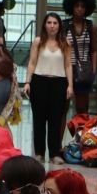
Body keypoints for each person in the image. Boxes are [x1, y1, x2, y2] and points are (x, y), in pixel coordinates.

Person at [24, 12, 73, 163]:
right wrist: (27, 82)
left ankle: (54, 153)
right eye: (49, 23)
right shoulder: (38, 42)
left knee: (56, 119)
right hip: (39, 81)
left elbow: (68, 65)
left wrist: (70, 85)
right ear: (45, 25)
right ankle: (39, 152)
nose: (52, 26)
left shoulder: (65, 43)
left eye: (55, 23)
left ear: (59, 25)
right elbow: (32, 62)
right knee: (39, 119)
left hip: (59, 82)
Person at [63, 0, 97, 115]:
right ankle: (59, 135)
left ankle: (81, 135)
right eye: (76, 6)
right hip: (67, 69)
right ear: (71, 7)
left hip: (84, 69)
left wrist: (93, 69)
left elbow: (94, 50)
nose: (79, 9)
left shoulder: (91, 26)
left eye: (83, 6)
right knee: (63, 108)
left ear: (87, 8)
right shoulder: (64, 26)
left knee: (82, 109)